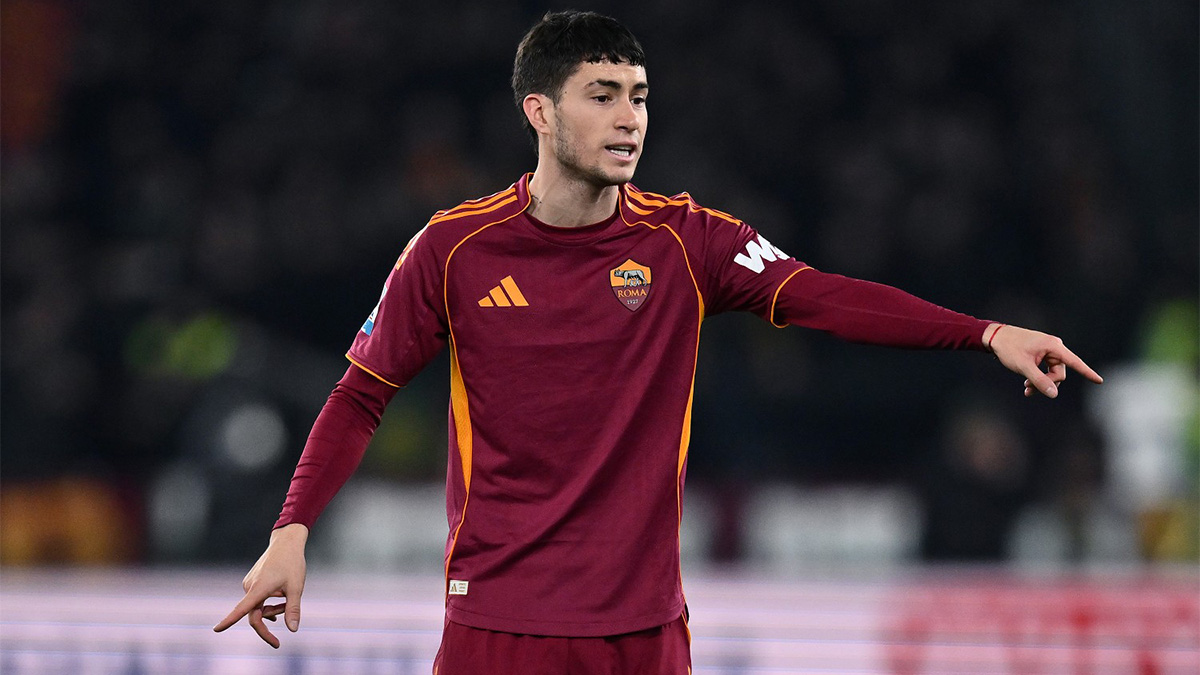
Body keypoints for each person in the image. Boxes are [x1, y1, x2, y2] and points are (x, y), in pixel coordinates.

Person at [214, 10, 1103, 673]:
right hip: (498, 625)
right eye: (601, 96)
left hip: (644, 632)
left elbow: (823, 296)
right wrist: (292, 530)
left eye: (638, 97)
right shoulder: (454, 249)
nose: (629, 118)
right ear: (540, 111)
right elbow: (360, 395)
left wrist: (984, 332)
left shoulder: (687, 240)